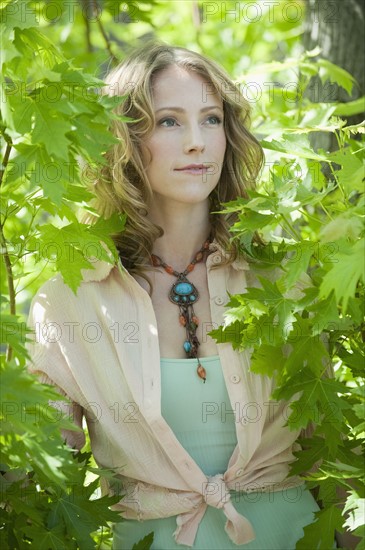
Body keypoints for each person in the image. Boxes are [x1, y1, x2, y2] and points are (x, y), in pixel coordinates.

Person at [27, 43, 335, 549]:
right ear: (123, 140)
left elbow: (331, 458)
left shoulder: (283, 278)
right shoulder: (71, 298)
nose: (197, 143)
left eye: (211, 119)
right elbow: (40, 479)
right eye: (169, 122)